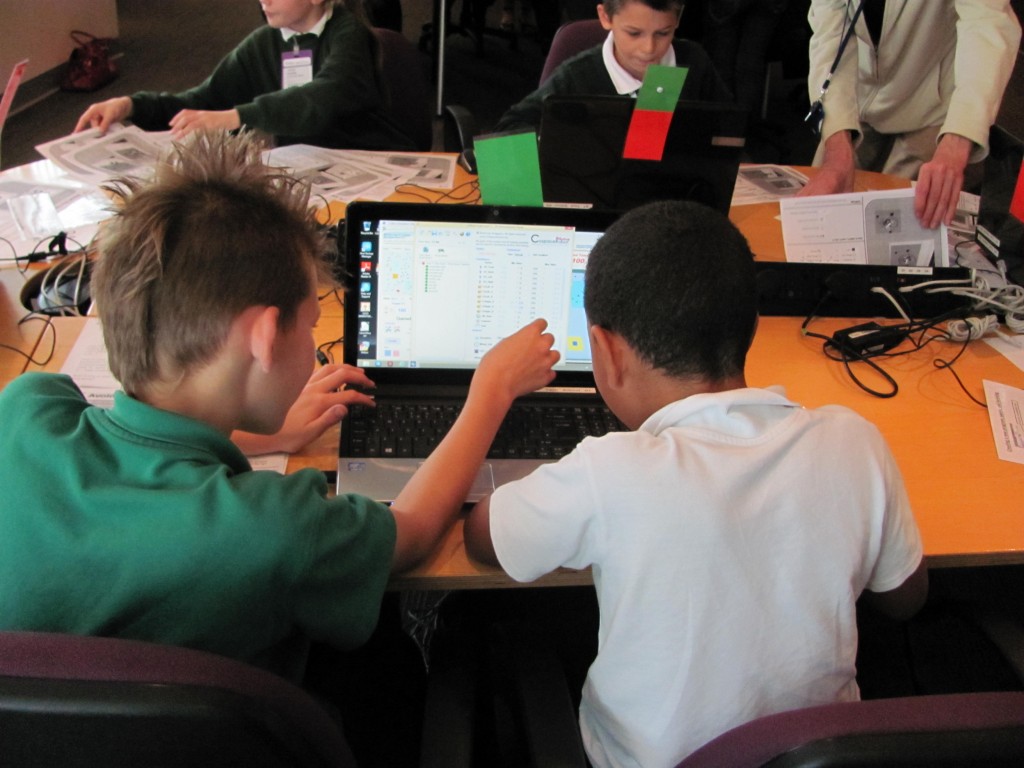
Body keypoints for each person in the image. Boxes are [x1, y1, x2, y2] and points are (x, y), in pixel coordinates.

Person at [0, 130, 559, 686]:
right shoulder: (278, 527)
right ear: (266, 337)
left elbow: (136, 442)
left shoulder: (25, 410)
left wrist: (269, 437)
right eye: (313, 326)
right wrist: (491, 392)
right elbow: (409, 534)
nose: (314, 345)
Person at [463, 199, 929, 767]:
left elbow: (483, 539)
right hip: (817, 756)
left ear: (605, 351)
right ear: (752, 328)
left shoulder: (609, 472)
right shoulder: (854, 440)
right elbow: (906, 600)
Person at [73, 0, 414, 150]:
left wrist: (236, 117)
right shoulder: (265, 41)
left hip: (366, 157)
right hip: (310, 172)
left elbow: (324, 96)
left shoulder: (347, 34)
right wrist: (130, 105)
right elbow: (202, 102)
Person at [798, 1, 1021, 230]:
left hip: (933, 106)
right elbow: (830, 35)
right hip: (856, 98)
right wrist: (836, 144)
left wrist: (957, 141)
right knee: (818, 217)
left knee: (902, 228)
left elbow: (987, 27)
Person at [492, 0, 733, 134]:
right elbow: (510, 126)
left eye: (663, 33)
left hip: (676, 194)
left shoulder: (693, 61)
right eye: (634, 33)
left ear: (678, 20)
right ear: (606, 17)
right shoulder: (578, 74)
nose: (649, 48)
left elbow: (731, 126)